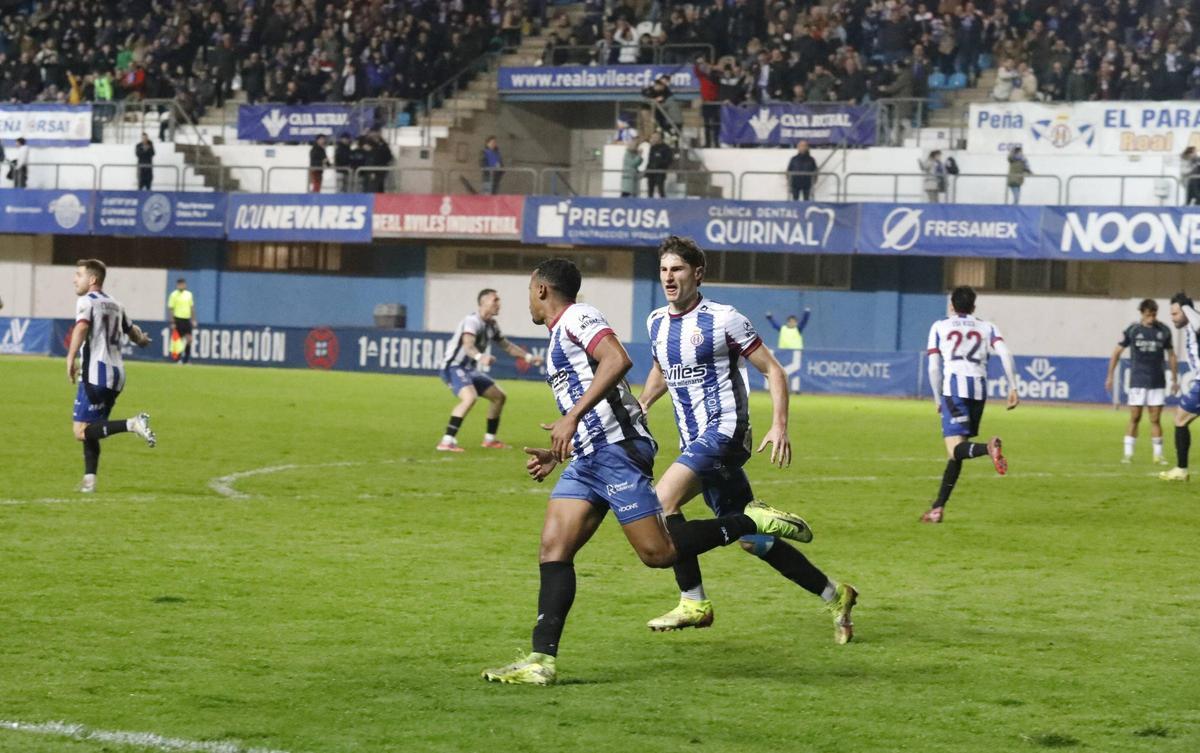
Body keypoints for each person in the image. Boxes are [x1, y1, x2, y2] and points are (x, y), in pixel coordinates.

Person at [481, 258, 815, 685]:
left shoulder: (578, 317)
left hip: (618, 451)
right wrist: (557, 448)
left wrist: (572, 417)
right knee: (553, 549)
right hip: (588, 457)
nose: (527, 299)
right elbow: (594, 399)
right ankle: (540, 660)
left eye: (529, 291)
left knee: (657, 554)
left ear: (542, 289)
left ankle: (751, 520)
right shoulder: (557, 335)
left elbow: (616, 360)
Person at [638, 238, 857, 642]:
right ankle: (835, 593)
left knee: (660, 501)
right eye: (664, 269)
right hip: (696, 442)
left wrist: (779, 425)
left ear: (697, 273)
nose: (669, 277)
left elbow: (774, 371)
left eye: (678, 269)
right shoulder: (656, 322)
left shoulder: (725, 319)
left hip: (725, 431)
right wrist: (643, 404)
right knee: (755, 542)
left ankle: (694, 601)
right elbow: (661, 367)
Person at [921, 286, 1019, 523]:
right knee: (957, 455)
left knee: (954, 450)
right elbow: (1005, 354)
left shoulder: (939, 326)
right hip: (979, 393)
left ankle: (989, 448)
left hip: (954, 391)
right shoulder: (988, 326)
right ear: (974, 307)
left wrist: (937, 399)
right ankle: (937, 508)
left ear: (951, 306)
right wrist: (1013, 386)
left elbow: (934, 367)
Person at [66, 259, 157, 493]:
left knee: (81, 431)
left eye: (79, 275)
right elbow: (133, 331)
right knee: (92, 427)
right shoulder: (116, 304)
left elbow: (82, 327)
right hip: (116, 376)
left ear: (92, 279)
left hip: (95, 375)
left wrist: (70, 357)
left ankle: (133, 423)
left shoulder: (86, 301)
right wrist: (144, 340)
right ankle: (89, 481)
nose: (75, 279)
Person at [438, 289, 543, 452]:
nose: (498, 303)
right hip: (453, 366)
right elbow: (468, 345)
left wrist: (529, 357)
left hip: (468, 369)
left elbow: (506, 346)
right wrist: (481, 357)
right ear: (483, 302)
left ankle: (489, 440)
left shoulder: (491, 325)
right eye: (495, 300)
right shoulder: (472, 321)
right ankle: (447, 441)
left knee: (499, 397)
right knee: (469, 398)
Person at [1105, 299, 1178, 465]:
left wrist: (1174, 378)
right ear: (1142, 314)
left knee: (1155, 419)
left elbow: (1172, 355)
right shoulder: (1133, 330)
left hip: (1157, 381)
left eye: (1154, 315)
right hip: (1137, 380)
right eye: (1148, 315)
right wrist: (1110, 375)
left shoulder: (1164, 331)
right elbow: (1116, 352)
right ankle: (1128, 454)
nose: (1151, 318)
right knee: (1135, 417)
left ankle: (1158, 455)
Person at [1160, 292, 1200, 482]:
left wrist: (1186, 307)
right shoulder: (1190, 327)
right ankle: (1181, 469)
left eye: (1175, 313)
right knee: (1180, 418)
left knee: (1180, 419)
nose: (1172, 317)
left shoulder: (1195, 322)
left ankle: (1181, 469)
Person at [166, 278, 196, 364]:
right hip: (178, 319)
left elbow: (192, 308)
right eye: (179, 284)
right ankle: (177, 359)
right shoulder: (173, 295)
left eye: (183, 284)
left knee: (189, 339)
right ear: (177, 285)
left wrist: (193, 320)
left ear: (185, 285)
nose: (181, 286)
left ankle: (186, 359)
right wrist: (172, 322)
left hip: (187, 319)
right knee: (177, 341)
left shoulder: (189, 294)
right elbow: (171, 309)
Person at [645, 131, 673, 198]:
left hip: (660, 173)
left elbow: (669, 160)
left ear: (660, 138)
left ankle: (663, 203)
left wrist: (659, 164)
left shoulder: (666, 148)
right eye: (652, 137)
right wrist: (647, 170)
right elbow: (650, 160)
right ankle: (649, 203)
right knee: (650, 190)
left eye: (655, 137)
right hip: (651, 173)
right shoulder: (653, 148)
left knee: (660, 190)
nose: (653, 139)